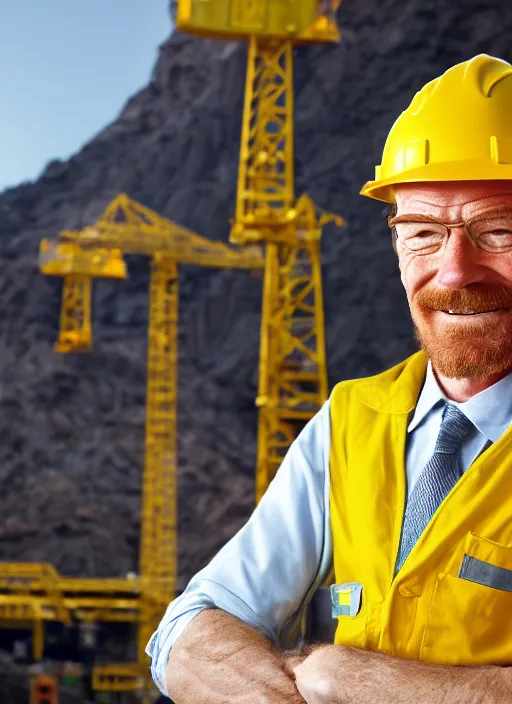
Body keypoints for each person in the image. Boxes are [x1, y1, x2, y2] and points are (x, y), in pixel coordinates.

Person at [146, 54, 512, 703]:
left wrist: (354, 680)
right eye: (423, 233)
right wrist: (277, 692)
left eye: (500, 232)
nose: (455, 272)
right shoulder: (353, 418)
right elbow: (194, 621)